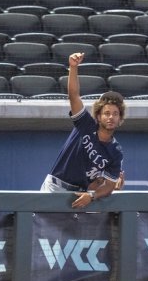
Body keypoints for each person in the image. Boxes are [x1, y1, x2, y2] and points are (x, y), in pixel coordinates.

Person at [41, 52, 125, 209]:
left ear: (120, 119)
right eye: (106, 113)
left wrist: (92, 195)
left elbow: (109, 186)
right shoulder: (86, 124)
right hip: (55, 187)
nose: (111, 117)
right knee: (39, 231)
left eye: (115, 114)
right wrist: (73, 68)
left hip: (79, 195)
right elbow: (74, 96)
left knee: (66, 234)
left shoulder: (116, 151)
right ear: (98, 117)